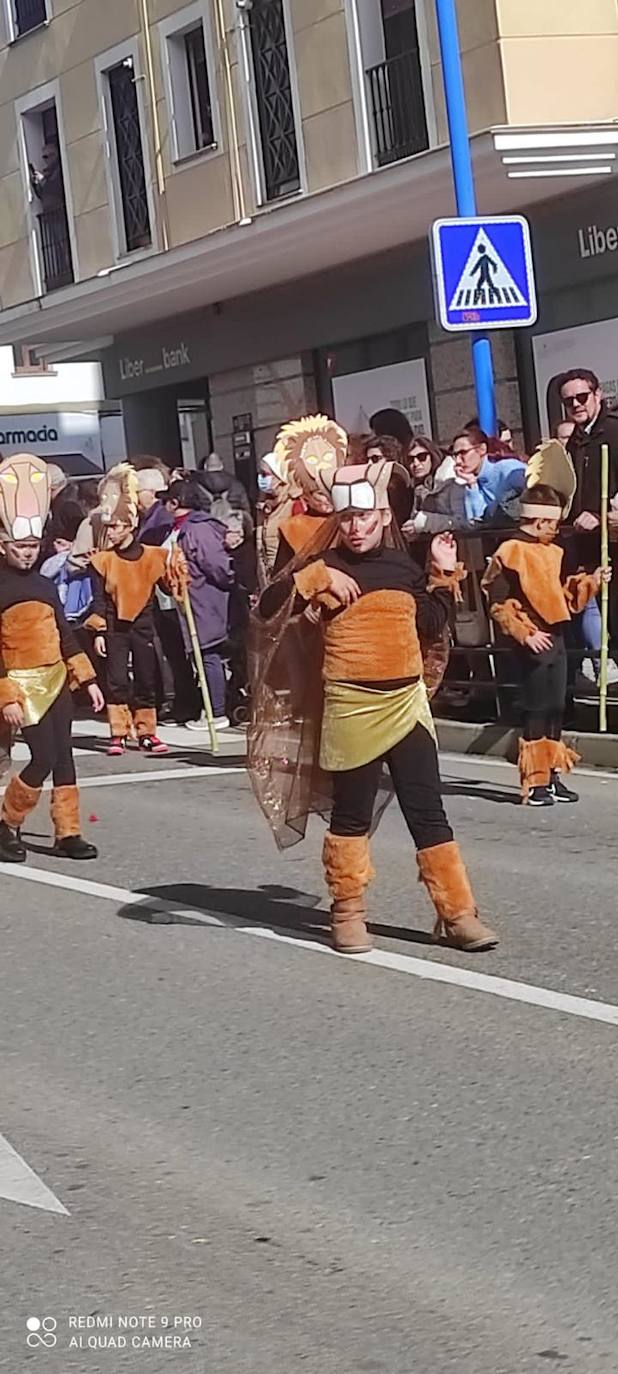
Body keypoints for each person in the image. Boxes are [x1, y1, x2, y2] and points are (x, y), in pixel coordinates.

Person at [251, 452, 498, 956]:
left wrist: (442, 577)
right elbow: (266, 611)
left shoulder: (402, 566)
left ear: (383, 516)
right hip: (350, 707)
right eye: (346, 517)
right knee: (352, 815)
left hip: (406, 705)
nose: (355, 526)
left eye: (364, 516)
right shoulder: (325, 564)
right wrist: (311, 580)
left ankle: (456, 913)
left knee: (428, 811)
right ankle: (347, 912)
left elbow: (427, 624)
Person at [482, 442, 610, 807]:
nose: (555, 529)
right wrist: (526, 632)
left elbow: (563, 596)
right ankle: (535, 781)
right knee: (537, 709)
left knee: (556, 706)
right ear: (537, 520)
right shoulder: (511, 550)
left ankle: (552, 774)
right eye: (551, 523)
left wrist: (593, 580)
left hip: (554, 635)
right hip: (533, 639)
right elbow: (499, 602)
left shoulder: (552, 551)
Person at [0, 453, 104, 863]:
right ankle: (8, 821)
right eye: (19, 546)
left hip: (57, 679)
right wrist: (6, 694)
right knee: (41, 756)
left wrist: (88, 679)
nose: (28, 553)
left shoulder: (44, 584)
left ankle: (68, 831)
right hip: (22, 685)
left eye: (32, 546)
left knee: (64, 756)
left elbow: (63, 634)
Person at [85, 464, 186, 756]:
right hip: (115, 626)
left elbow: (168, 589)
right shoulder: (103, 561)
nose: (112, 532)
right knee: (116, 678)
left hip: (144, 623)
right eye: (109, 527)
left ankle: (147, 731)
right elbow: (99, 600)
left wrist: (177, 574)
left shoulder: (154, 557)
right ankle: (118, 731)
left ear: (129, 525)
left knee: (146, 676)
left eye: (116, 526)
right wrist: (100, 630)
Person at [559, 369, 618, 681]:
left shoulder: (613, 431)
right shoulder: (575, 441)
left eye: (582, 397)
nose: (576, 404)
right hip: (586, 545)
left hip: (614, 540)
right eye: (569, 401)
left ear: (597, 395)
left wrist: (599, 512)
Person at [165, 478, 235, 731]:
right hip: (189, 600)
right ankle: (208, 708)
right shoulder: (180, 528)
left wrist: (227, 581)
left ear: (175, 503)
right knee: (200, 655)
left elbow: (216, 564)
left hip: (204, 598)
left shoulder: (198, 528)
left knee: (208, 654)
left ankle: (216, 712)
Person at [271, 414, 348, 569]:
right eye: (319, 493)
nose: (327, 497)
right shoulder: (294, 527)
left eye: (330, 490)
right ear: (305, 496)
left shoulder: (352, 520)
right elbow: (284, 575)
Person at [451, 426, 526, 523]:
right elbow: (476, 522)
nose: (458, 461)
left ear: (482, 449)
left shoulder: (508, 469)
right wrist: (471, 484)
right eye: (455, 455)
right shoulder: (473, 481)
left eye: (463, 453)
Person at [256, 451, 294, 589]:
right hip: (267, 580)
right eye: (259, 474)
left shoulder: (293, 504)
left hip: (286, 579)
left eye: (265, 474)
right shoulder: (263, 505)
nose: (261, 479)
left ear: (279, 476)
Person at [197, 452, 252, 520]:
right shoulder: (237, 484)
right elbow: (246, 511)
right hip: (231, 526)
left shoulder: (195, 486)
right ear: (222, 466)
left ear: (205, 466)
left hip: (206, 527)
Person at [136, 468, 173, 545]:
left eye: (137, 492)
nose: (134, 497)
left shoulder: (164, 516)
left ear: (152, 492)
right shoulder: (148, 515)